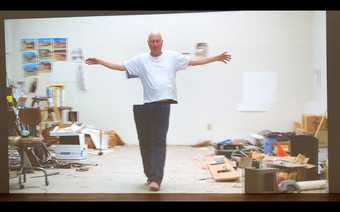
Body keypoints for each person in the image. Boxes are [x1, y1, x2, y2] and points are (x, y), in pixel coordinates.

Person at [85, 32, 231, 191]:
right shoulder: (141, 60)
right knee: (145, 142)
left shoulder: (172, 57)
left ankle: (156, 179)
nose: (154, 44)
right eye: (152, 41)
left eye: (157, 41)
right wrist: (100, 62)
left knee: (158, 142)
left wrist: (215, 58)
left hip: (163, 104)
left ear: (162, 42)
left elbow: (193, 61)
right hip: (146, 106)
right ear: (148, 43)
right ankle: (150, 175)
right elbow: (121, 66)